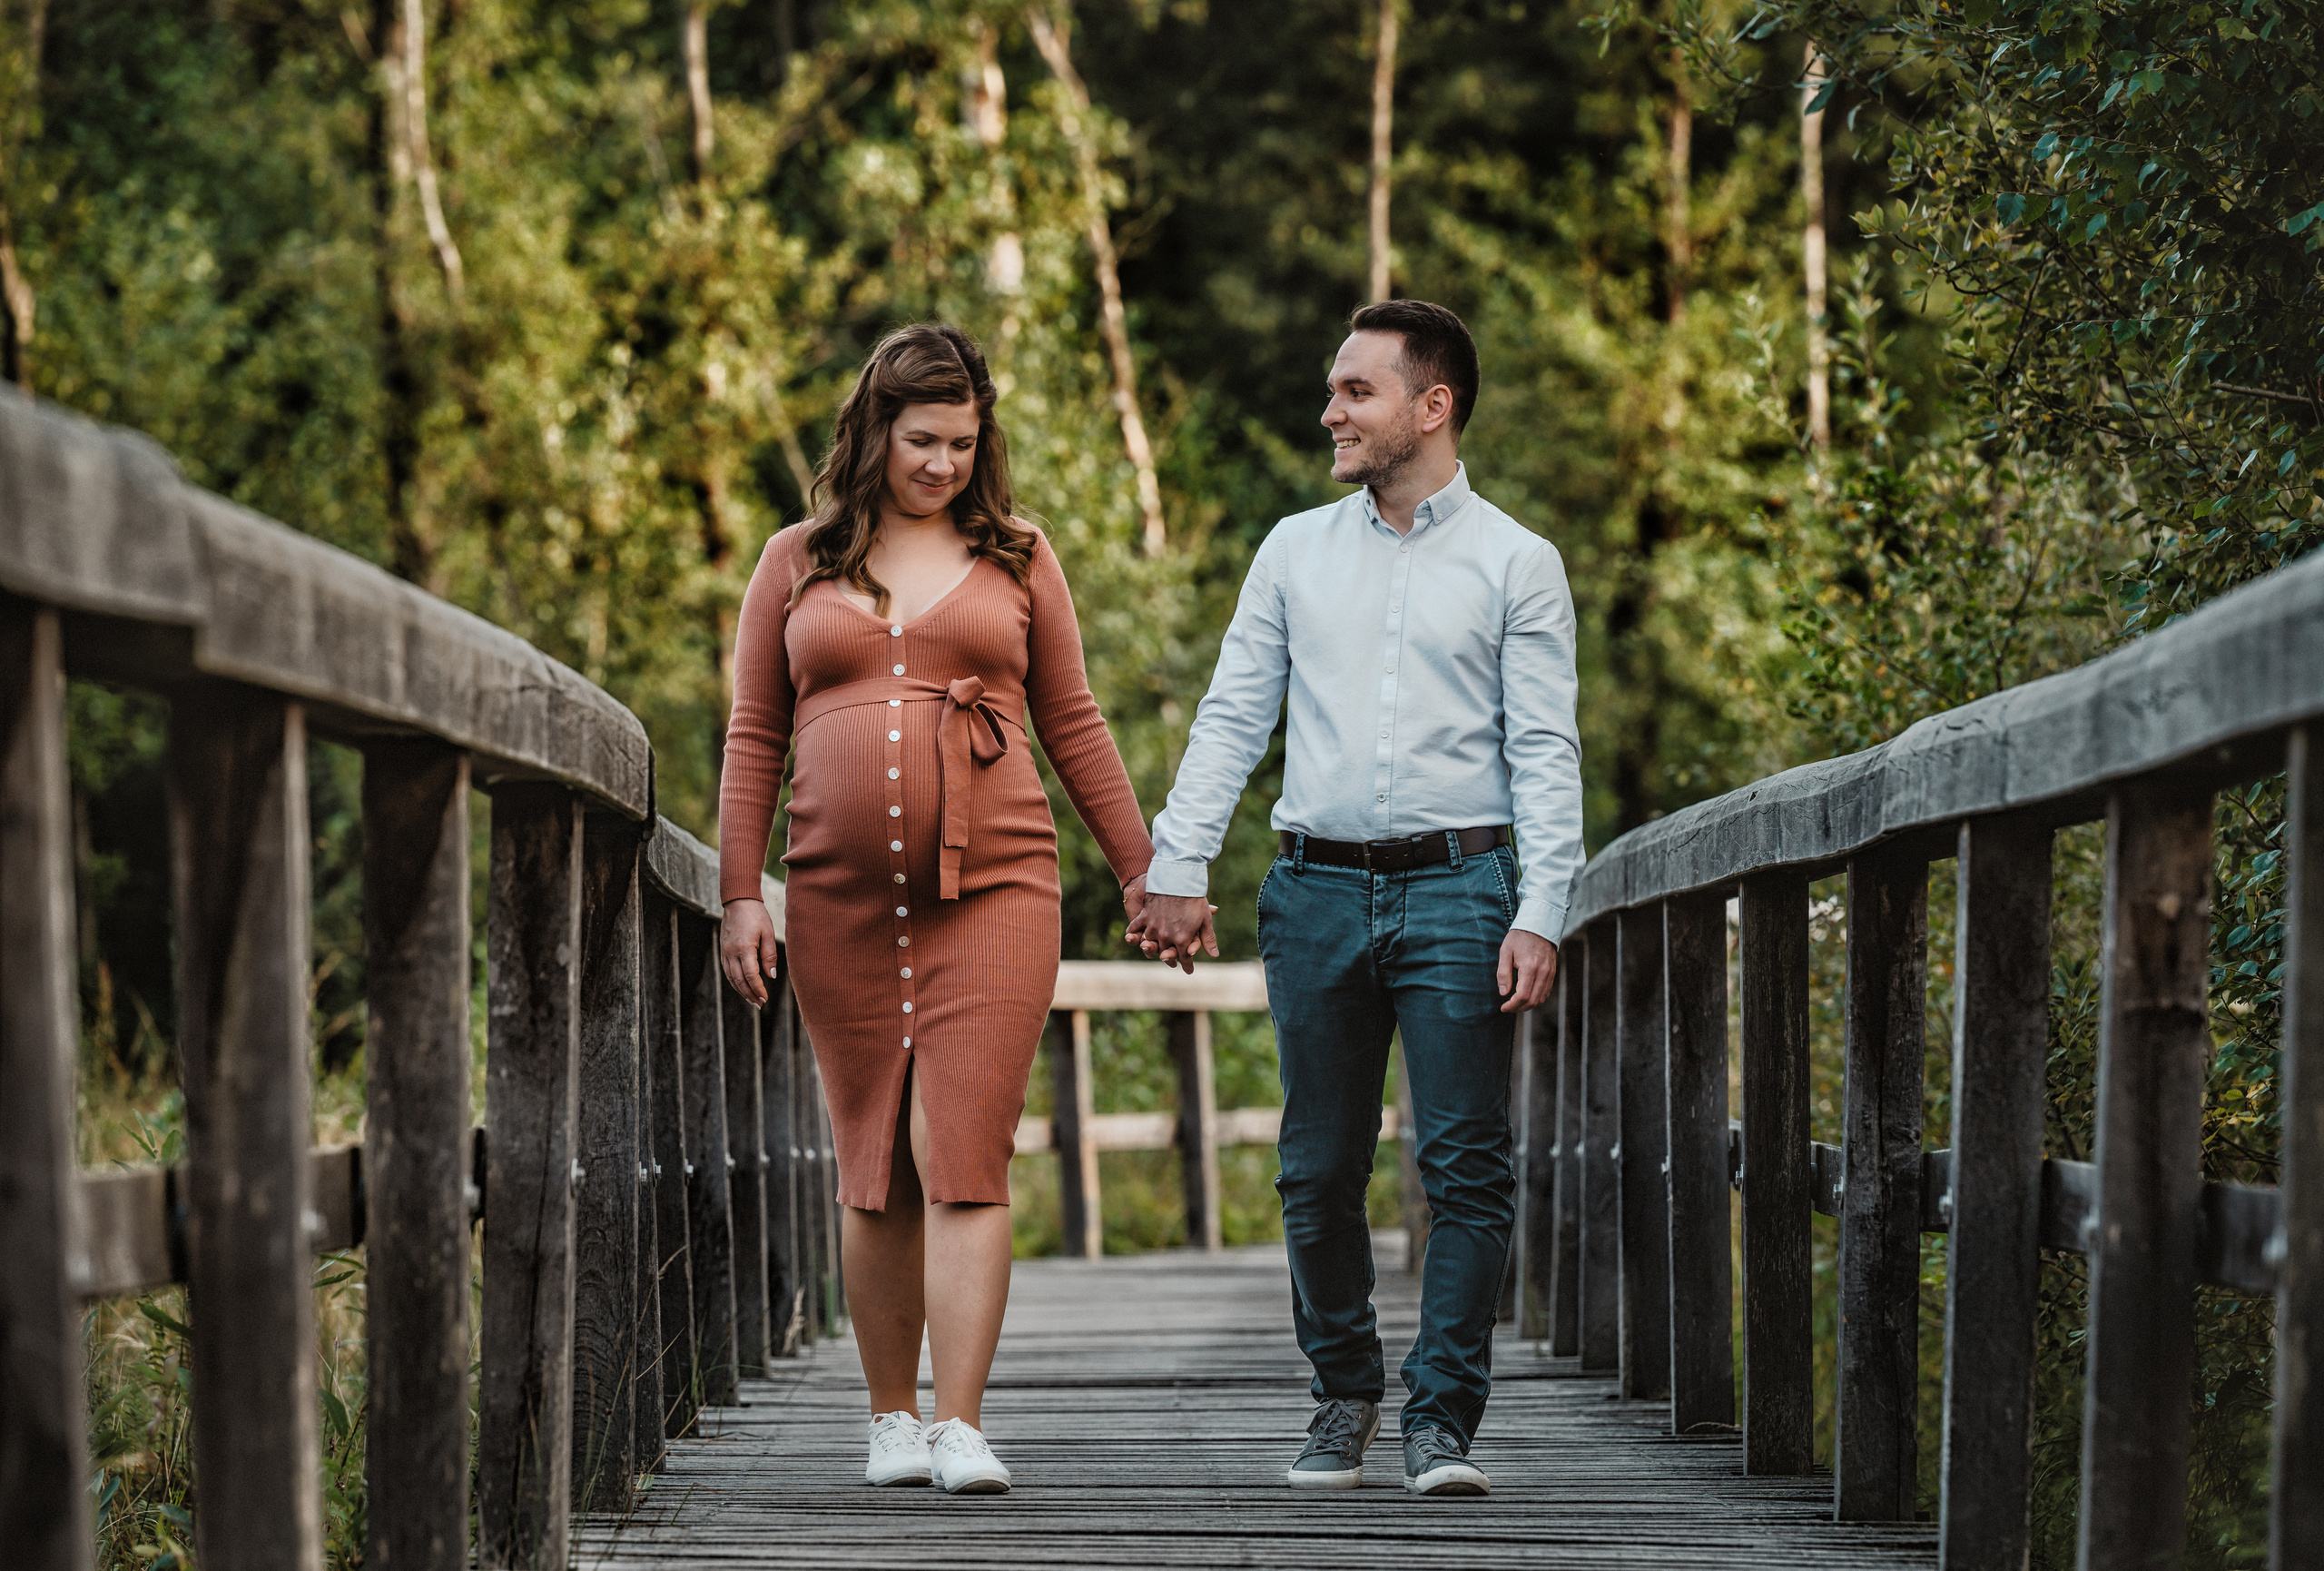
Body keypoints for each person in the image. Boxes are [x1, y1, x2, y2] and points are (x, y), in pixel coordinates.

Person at [1128, 300, 1582, 1497]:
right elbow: (1233, 716)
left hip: (1461, 888)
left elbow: (1545, 752)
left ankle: (1443, 1420)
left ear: (1432, 405)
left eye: (1356, 391)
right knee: (1315, 1168)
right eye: (1334, 390)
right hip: (1315, 888)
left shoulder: (1516, 562)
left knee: (1463, 1163)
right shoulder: (1293, 550)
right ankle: (1344, 1391)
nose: (1330, 411)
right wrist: (1178, 862)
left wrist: (1546, 903)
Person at [718, 323, 1155, 1495]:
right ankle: (891, 1416)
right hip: (835, 898)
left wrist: (1144, 869)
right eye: (922, 440)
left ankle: (961, 1423)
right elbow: (754, 737)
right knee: (875, 1160)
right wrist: (735, 897)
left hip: (999, 883)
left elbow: (1074, 721)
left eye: (964, 442)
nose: (943, 464)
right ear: (872, 431)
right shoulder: (795, 561)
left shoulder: (1017, 555)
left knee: (963, 1151)